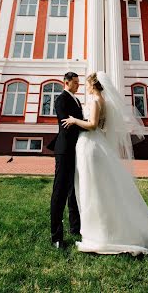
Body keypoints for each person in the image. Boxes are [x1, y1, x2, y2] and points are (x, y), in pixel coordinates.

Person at [61, 71, 148, 256]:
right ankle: (104, 230)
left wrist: (75, 120)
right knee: (100, 187)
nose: (84, 86)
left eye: (86, 83)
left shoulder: (94, 101)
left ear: (93, 85)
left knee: (91, 187)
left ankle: (100, 234)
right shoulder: (105, 102)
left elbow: (92, 125)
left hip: (90, 144)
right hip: (97, 143)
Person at [47, 71, 85, 249]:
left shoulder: (76, 100)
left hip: (76, 149)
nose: (78, 85)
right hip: (64, 150)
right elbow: (66, 123)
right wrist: (84, 123)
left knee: (73, 190)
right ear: (66, 82)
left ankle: (75, 227)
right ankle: (56, 236)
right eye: (75, 82)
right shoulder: (61, 99)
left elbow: (76, 122)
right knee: (60, 191)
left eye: (78, 82)